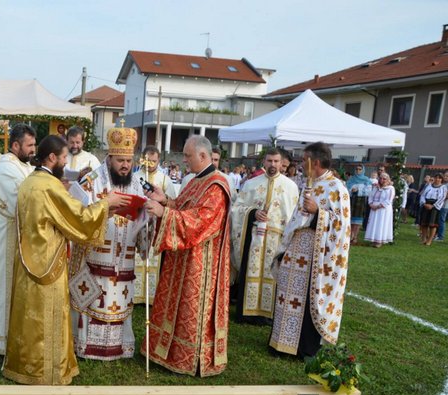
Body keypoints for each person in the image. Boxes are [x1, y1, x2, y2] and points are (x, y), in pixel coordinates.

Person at [3, 135, 128, 385]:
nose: (65, 163)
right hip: (48, 263)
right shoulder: (49, 187)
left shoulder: (31, 181)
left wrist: (104, 211)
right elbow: (78, 218)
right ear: (52, 157)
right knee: (46, 316)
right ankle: (46, 371)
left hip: (29, 260)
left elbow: (64, 217)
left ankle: (22, 365)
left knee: (28, 316)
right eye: (62, 158)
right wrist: (106, 204)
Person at [142, 135, 232, 376]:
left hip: (201, 263)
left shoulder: (216, 186)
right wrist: (165, 201)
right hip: (183, 257)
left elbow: (201, 221)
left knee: (190, 310)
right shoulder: (195, 180)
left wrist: (163, 213)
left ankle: (189, 358)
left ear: (203, 156)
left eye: (187, 156)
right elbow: (184, 208)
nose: (184, 160)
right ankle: (167, 350)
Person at [69, 125, 147, 360]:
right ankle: (86, 346)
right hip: (96, 258)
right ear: (110, 157)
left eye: (129, 161)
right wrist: (105, 210)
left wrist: (147, 217)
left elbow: (143, 221)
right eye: (120, 160)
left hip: (124, 259)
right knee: (94, 301)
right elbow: (78, 216)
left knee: (119, 300)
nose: (125, 165)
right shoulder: (91, 181)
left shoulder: (136, 184)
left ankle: (119, 347)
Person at [269, 142, 351, 358]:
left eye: (304, 160)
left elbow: (341, 227)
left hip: (316, 256)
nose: (300, 164)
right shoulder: (310, 184)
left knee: (305, 300)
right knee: (287, 294)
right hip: (296, 250)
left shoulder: (337, 188)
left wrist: (318, 213)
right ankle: (281, 342)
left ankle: (303, 347)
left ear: (315, 162)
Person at [0, 124, 36, 355]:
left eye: (34, 144)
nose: (33, 149)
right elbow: (19, 203)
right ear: (15, 145)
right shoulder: (4, 169)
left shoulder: (25, 166)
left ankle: (16, 337)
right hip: (6, 240)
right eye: (29, 145)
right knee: (3, 287)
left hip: (21, 238)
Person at [230, 148, 299, 324]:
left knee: (272, 273)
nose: (273, 164)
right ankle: (247, 313)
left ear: (282, 163)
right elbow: (237, 209)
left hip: (277, 239)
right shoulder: (251, 184)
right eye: (269, 161)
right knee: (251, 271)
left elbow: (294, 215)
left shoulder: (290, 187)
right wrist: (253, 213)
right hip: (254, 238)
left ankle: (267, 315)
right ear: (264, 162)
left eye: (276, 161)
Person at [132, 145, 174, 306]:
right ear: (142, 159)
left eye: (154, 161)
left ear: (158, 161)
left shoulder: (165, 179)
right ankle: (136, 294)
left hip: (157, 226)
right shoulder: (135, 177)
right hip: (138, 222)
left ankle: (151, 295)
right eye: (147, 161)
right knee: (137, 256)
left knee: (154, 258)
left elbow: (172, 202)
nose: (150, 164)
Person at [364, 172, 395, 248]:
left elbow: (389, 200)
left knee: (381, 224)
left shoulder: (390, 188)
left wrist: (378, 206)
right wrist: (371, 204)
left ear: (388, 180)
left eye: (384, 179)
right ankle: (373, 239)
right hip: (374, 208)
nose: (382, 180)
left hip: (383, 209)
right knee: (373, 224)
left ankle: (379, 241)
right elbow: (371, 196)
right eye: (381, 178)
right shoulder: (375, 187)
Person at [345, 165, 373, 244]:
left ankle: (355, 237)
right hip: (351, 200)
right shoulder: (351, 179)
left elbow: (369, 191)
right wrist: (351, 190)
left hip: (361, 201)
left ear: (363, 170)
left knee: (358, 220)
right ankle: (350, 236)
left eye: (360, 169)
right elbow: (346, 189)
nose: (358, 170)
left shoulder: (366, 180)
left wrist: (359, 189)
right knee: (350, 219)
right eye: (357, 169)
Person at [419, 173, 445, 246]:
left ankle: (429, 240)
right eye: (436, 177)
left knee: (432, 224)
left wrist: (433, 206)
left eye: (439, 178)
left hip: (435, 206)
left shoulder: (443, 187)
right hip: (426, 204)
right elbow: (423, 195)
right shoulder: (429, 186)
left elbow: (442, 198)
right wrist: (424, 203)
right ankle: (424, 239)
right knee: (424, 223)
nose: (437, 179)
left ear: (441, 179)